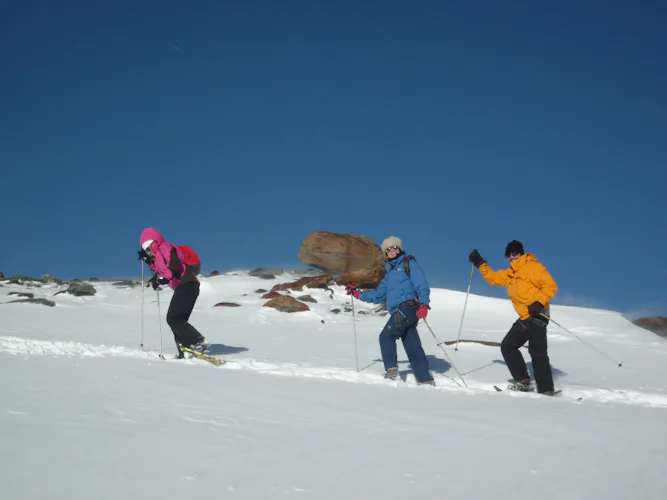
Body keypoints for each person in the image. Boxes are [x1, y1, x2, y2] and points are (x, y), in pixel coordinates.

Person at [468, 240, 558, 395]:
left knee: (537, 352)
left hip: (538, 315)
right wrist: (480, 263)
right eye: (508, 255)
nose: (511, 257)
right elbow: (494, 278)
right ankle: (523, 382)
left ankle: (546, 390)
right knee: (508, 346)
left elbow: (551, 286)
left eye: (514, 254)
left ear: (521, 253)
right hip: (524, 317)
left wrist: (539, 303)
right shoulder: (511, 273)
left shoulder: (533, 267)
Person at [346, 236, 434, 385]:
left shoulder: (409, 263)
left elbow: (421, 284)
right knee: (412, 345)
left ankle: (392, 373)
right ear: (385, 253)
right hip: (401, 311)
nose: (392, 250)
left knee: (386, 336)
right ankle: (425, 379)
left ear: (400, 249)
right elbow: (377, 294)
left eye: (395, 247)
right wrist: (358, 293)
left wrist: (424, 304)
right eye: (388, 249)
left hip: (408, 306)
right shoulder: (389, 275)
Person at [138, 227, 207, 358]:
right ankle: (184, 352)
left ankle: (197, 341)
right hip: (185, 286)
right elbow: (160, 268)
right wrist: (148, 262)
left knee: (173, 318)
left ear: (155, 242)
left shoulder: (165, 247)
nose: (148, 251)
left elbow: (173, 264)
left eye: (148, 247)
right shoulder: (158, 257)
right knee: (178, 320)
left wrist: (163, 279)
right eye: (146, 250)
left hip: (187, 283)